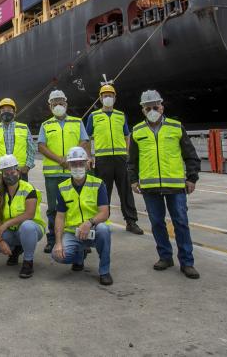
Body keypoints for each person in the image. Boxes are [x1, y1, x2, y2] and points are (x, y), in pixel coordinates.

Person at [129, 90, 201, 280]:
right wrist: (133, 180)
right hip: (150, 187)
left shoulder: (176, 127)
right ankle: (165, 256)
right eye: (148, 108)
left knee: (181, 222)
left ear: (162, 106)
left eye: (155, 106)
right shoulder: (137, 131)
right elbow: (132, 161)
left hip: (176, 185)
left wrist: (192, 178)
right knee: (157, 223)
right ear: (143, 110)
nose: (152, 110)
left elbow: (190, 155)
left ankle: (187, 262)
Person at [85, 84, 143, 235]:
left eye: (110, 95)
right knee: (104, 191)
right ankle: (102, 222)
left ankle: (131, 221)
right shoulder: (94, 116)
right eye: (105, 96)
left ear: (115, 98)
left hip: (120, 159)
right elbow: (86, 137)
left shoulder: (120, 115)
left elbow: (126, 135)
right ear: (100, 98)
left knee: (126, 190)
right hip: (103, 160)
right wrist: (89, 156)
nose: (108, 98)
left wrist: (127, 154)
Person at [37, 89, 91, 253]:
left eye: (61, 102)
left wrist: (70, 158)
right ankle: (52, 239)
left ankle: (80, 238)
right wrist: (60, 159)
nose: (58, 105)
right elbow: (41, 146)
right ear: (50, 106)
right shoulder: (46, 125)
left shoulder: (77, 122)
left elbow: (84, 140)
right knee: (53, 208)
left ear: (66, 104)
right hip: (53, 175)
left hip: (73, 172)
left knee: (76, 206)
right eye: (55, 103)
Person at [52, 146, 114, 285]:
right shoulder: (62, 187)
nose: (77, 167)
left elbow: (105, 212)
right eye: (73, 164)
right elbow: (60, 217)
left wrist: (89, 223)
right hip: (73, 231)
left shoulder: (98, 184)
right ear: (68, 166)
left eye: (81, 163)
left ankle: (104, 271)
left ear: (87, 164)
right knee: (58, 256)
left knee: (104, 230)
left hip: (94, 228)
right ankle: (79, 255)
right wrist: (58, 243)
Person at [0, 154, 46, 279]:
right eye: (6, 171)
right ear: (2, 174)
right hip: (11, 232)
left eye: (12, 170)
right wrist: (0, 241)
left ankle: (28, 261)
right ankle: (16, 248)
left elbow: (29, 214)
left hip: (32, 229)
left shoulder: (28, 189)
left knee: (27, 226)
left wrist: (6, 224)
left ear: (18, 170)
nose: (10, 174)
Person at [0, 98, 35, 182]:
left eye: (9, 110)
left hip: (19, 171)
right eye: (3, 110)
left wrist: (27, 167)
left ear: (14, 113)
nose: (6, 112)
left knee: (21, 195)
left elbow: (31, 149)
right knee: (0, 195)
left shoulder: (24, 128)